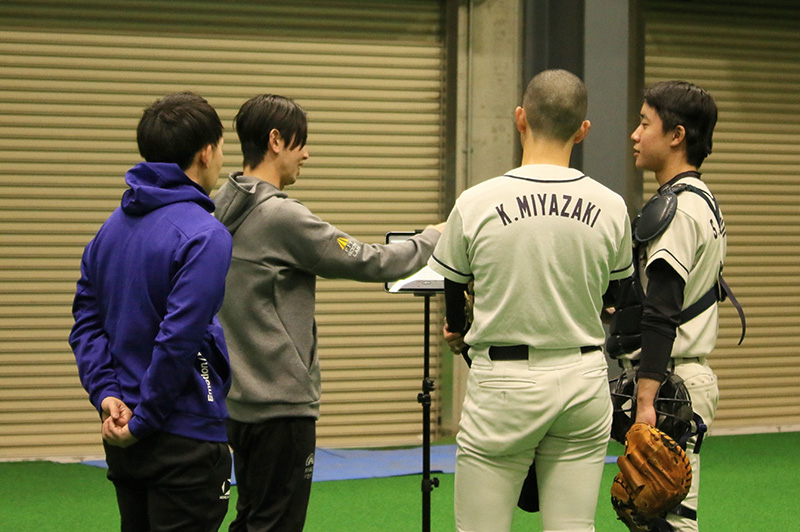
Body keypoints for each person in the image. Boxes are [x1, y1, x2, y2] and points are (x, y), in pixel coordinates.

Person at [213, 93, 444, 532]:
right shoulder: (282, 217)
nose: (307, 154)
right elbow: (368, 260)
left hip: (236, 404)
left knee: (252, 518)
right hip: (281, 407)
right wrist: (433, 238)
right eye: (302, 142)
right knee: (275, 524)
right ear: (276, 140)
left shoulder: (220, 204)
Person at [428, 69, 634, 532]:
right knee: (574, 527)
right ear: (583, 131)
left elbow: (452, 291)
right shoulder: (612, 204)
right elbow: (616, 295)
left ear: (520, 119)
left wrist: (459, 332)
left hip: (504, 383)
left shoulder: (475, 201)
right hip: (584, 378)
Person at [69, 92, 233, 531]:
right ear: (206, 151)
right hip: (183, 435)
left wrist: (108, 398)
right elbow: (179, 337)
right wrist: (144, 419)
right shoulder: (205, 235)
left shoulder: (108, 231)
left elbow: (86, 324)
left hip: (125, 437)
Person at [630, 80, 724, 532]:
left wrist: (645, 399)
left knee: (669, 522)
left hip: (673, 385)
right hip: (681, 378)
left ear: (676, 135)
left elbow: (662, 310)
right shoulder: (698, 199)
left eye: (645, 123)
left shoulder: (680, 210)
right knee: (655, 516)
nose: (634, 134)